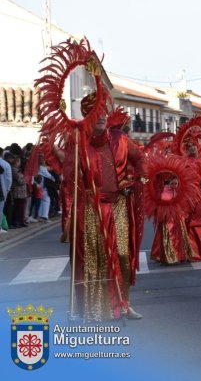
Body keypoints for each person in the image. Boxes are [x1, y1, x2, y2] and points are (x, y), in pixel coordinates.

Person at [54, 94, 147, 322]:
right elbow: (69, 172)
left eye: (103, 113)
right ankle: (91, 309)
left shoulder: (122, 140)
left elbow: (140, 160)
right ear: (87, 117)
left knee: (123, 256)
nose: (102, 117)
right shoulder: (78, 143)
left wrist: (137, 180)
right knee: (92, 260)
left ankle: (125, 305)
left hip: (119, 206)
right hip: (91, 209)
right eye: (96, 114)